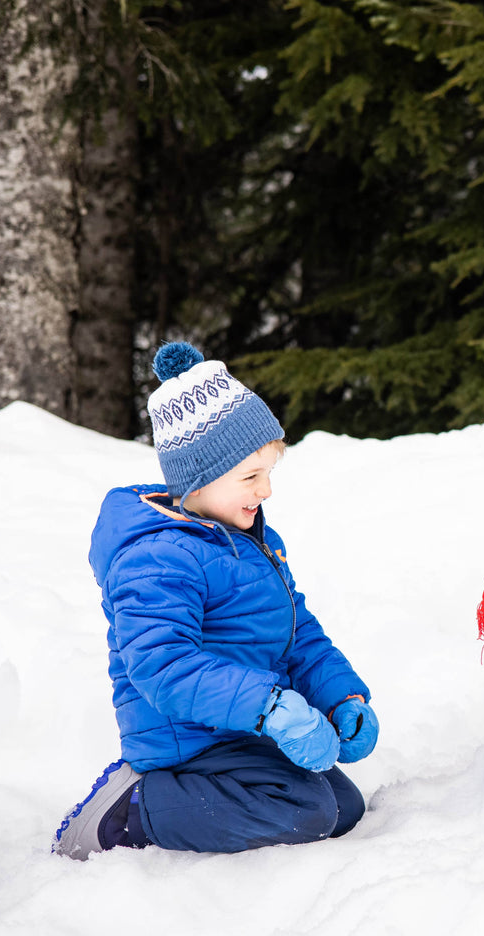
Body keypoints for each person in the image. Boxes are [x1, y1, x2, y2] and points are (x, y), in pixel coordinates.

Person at [53, 342, 380, 859]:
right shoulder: (159, 557)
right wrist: (271, 710)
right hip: (188, 741)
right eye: (251, 476)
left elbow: (297, 634)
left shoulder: (249, 540)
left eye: (270, 472)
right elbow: (163, 666)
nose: (267, 490)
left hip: (239, 729)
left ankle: (179, 795)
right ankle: (132, 807)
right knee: (308, 810)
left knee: (342, 805)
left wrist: (342, 696)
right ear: (198, 479)